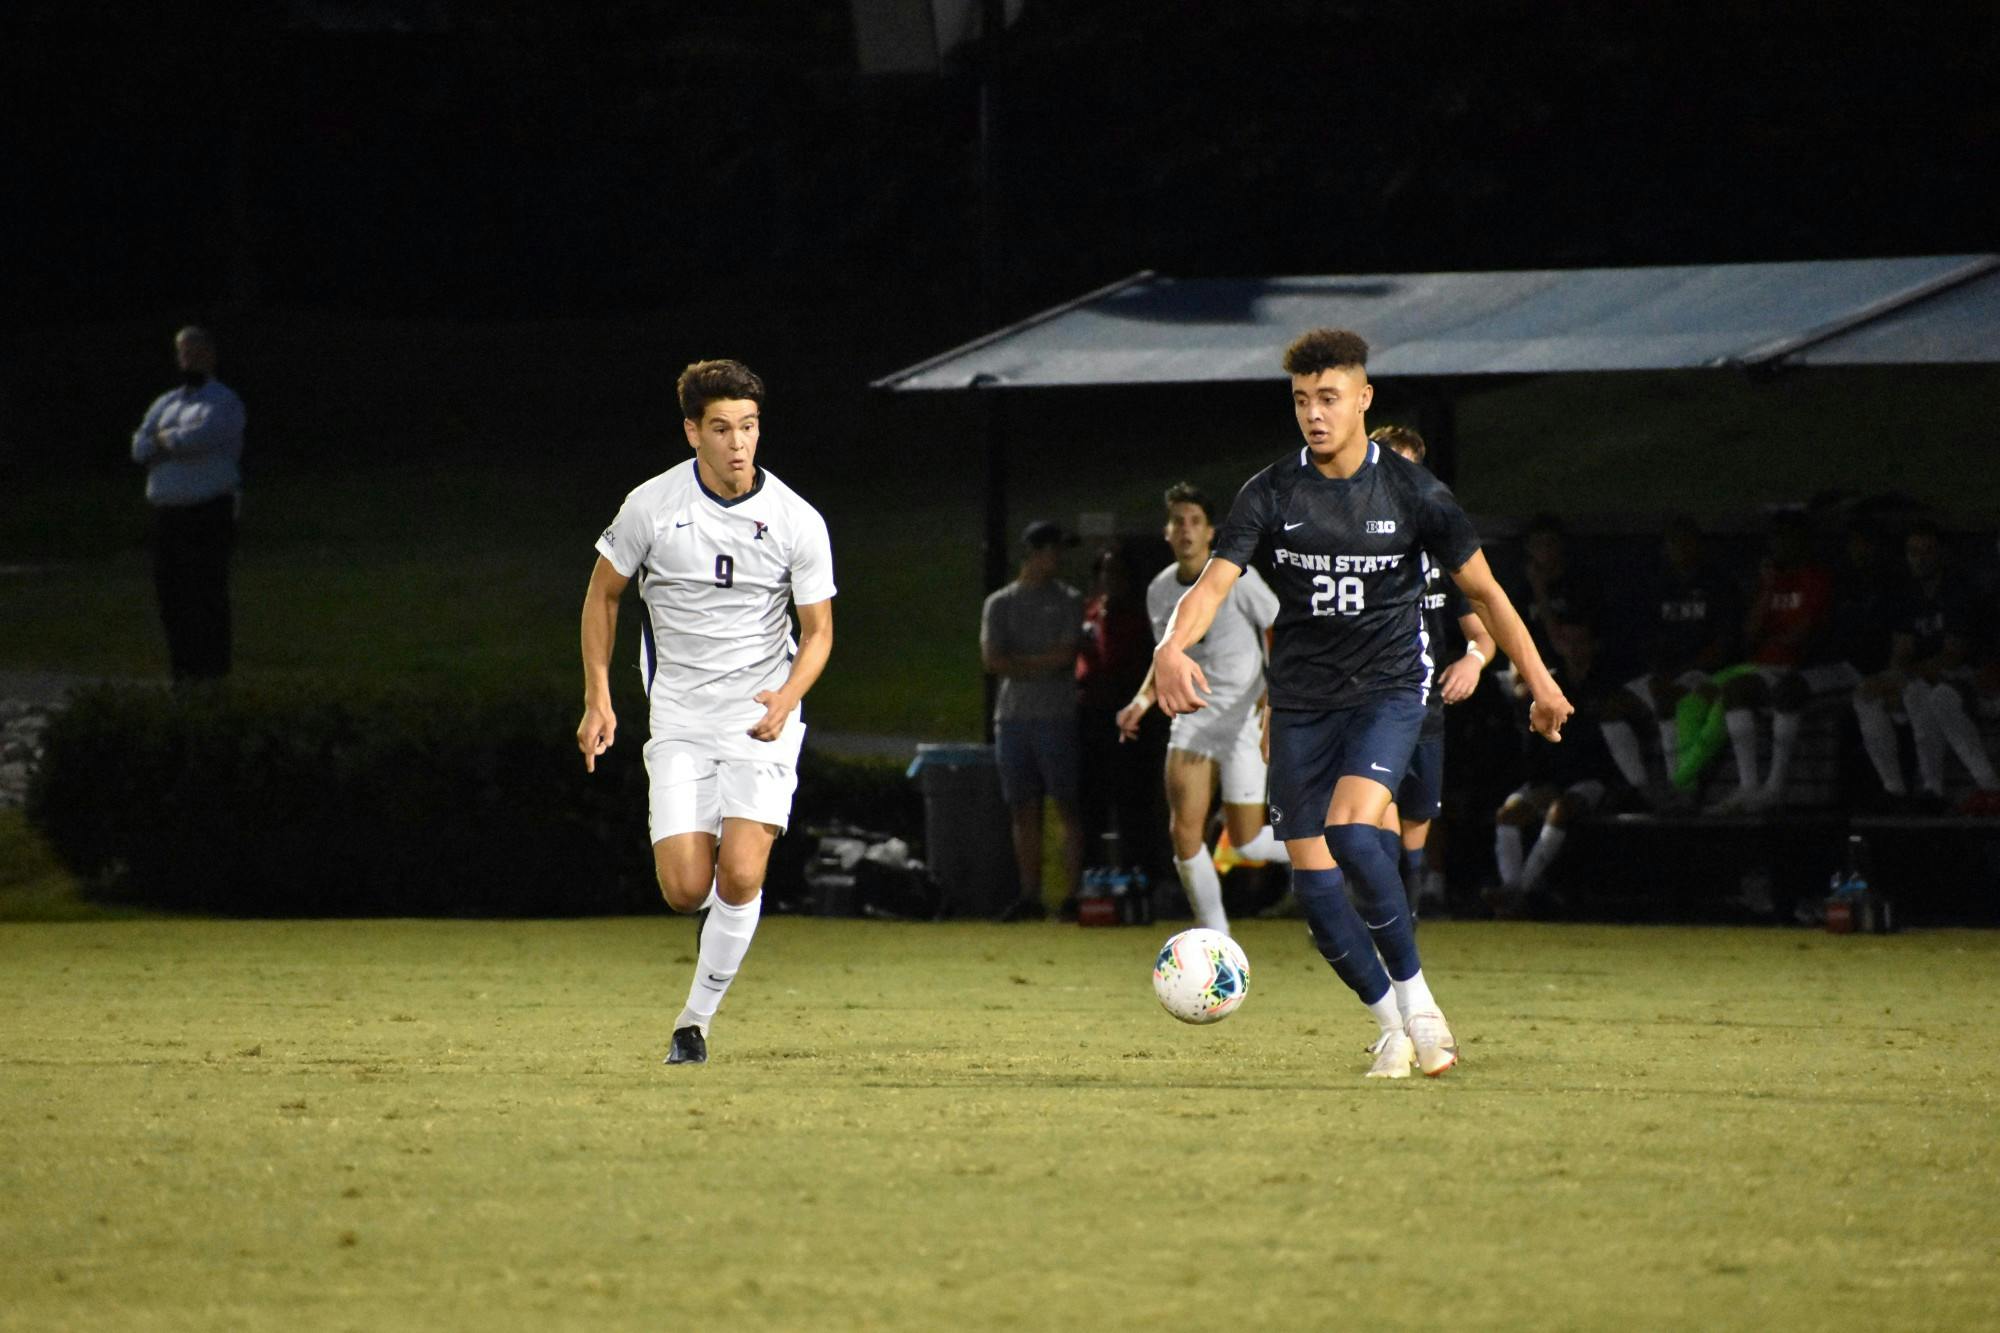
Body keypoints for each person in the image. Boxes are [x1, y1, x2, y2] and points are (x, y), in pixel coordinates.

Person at [1152, 328, 1572, 1080]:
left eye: (1330, 398)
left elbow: (1486, 593)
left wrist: (1539, 680)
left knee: (1352, 827)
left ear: (1363, 398)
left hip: (1388, 686)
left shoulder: (1415, 493)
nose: (1314, 414)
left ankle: (1423, 1004)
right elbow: (1212, 585)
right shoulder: (1271, 491)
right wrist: (1169, 649)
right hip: (1304, 698)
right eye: (1302, 400)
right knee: (1314, 890)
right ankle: (1393, 1028)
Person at [577, 358, 835, 1066]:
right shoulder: (651, 508)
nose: (737, 443)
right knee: (687, 888)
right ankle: (715, 920)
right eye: (720, 428)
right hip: (683, 719)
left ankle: (694, 1022)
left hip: (762, 716)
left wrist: (787, 697)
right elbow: (602, 596)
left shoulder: (795, 519)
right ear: (693, 431)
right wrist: (598, 696)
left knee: (743, 873)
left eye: (748, 426)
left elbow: (819, 633)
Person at [1117, 482, 1286, 934]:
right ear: (1167, 533)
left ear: (1211, 532)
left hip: (1245, 715)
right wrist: (1141, 700)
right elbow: (1166, 657)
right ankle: (1216, 939)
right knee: (1184, 833)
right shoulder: (1159, 590)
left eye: (1195, 521)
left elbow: (1277, 628)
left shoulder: (1237, 577)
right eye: (1178, 522)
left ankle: (1330, 849)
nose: (1186, 530)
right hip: (1193, 718)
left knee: (1248, 845)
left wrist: (1276, 689)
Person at [1369, 426, 1496, 917]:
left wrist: (1474, 660)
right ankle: (1376, 913)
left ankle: (1408, 909)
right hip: (1370, 703)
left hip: (1427, 708)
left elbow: (1483, 629)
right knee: (1377, 809)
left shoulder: (1444, 554)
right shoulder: (1355, 546)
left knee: (1418, 818)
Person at [1852, 521, 2000, 809]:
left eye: (1927, 551)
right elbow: (1902, 649)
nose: (1919, 559)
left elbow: (1954, 655)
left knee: (1925, 693)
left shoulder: (1957, 590)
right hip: (1924, 674)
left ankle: (1935, 786)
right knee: (1866, 693)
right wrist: (1895, 679)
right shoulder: (1908, 594)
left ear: (1942, 553)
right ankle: (1893, 788)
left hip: (1961, 673)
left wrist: (1904, 679)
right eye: (1913, 552)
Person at [981, 521, 1085, 921]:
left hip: (1056, 717)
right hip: (1014, 719)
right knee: (1022, 808)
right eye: (1054, 550)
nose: (1059, 558)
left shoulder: (1068, 600)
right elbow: (993, 660)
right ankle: (1029, 896)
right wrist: (1041, 662)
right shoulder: (1001, 603)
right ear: (1034, 553)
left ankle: (1071, 895)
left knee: (1066, 804)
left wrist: (1019, 662)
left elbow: (1065, 656)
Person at [1597, 516, 1743, 800]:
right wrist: (1657, 671)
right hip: (1664, 672)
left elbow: (1723, 644)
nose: (1681, 549)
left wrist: (1684, 671)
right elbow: (1644, 638)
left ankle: (1680, 786)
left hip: (1703, 672)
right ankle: (1640, 789)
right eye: (1674, 543)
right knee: (1610, 709)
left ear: (1700, 545)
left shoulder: (1718, 585)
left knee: (1667, 698)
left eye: (1687, 541)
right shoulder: (1657, 586)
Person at [130, 325, 245, 682]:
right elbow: (139, 447)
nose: (189, 359)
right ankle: (182, 675)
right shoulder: (166, 402)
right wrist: (167, 444)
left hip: (206, 511)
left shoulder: (223, 400)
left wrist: (164, 443)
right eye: (183, 353)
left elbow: (204, 436)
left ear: (210, 355)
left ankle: (212, 677)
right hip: (167, 514)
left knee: (206, 596)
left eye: (195, 352)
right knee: (171, 597)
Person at [1488, 621, 1624, 916]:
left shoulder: (1605, 685)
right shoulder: (1549, 685)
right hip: (1549, 779)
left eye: (1581, 642)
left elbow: (1601, 747)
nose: (1574, 650)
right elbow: (1538, 744)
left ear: (1593, 645)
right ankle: (1512, 888)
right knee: (1507, 815)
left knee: (1559, 810)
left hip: (1591, 778)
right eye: (1568, 643)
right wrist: (1541, 784)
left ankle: (1520, 892)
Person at [1709, 510, 1836, 811]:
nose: (1778, 546)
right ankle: (1748, 785)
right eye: (1774, 540)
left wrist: (1775, 638)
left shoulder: (1815, 579)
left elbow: (1802, 634)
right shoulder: (1768, 580)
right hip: (1766, 665)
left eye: (1784, 539)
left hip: (1804, 667)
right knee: (1734, 690)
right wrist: (1767, 589)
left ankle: (1774, 787)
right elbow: (1750, 634)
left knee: (1786, 693)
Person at [1076, 541, 1163, 899]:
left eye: (1116, 571)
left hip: (1129, 719)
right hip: (1091, 718)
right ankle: (1092, 884)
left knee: (1132, 804)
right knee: (1091, 803)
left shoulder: (1140, 616)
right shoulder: (1091, 611)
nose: (1109, 578)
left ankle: (1138, 880)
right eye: (1104, 571)